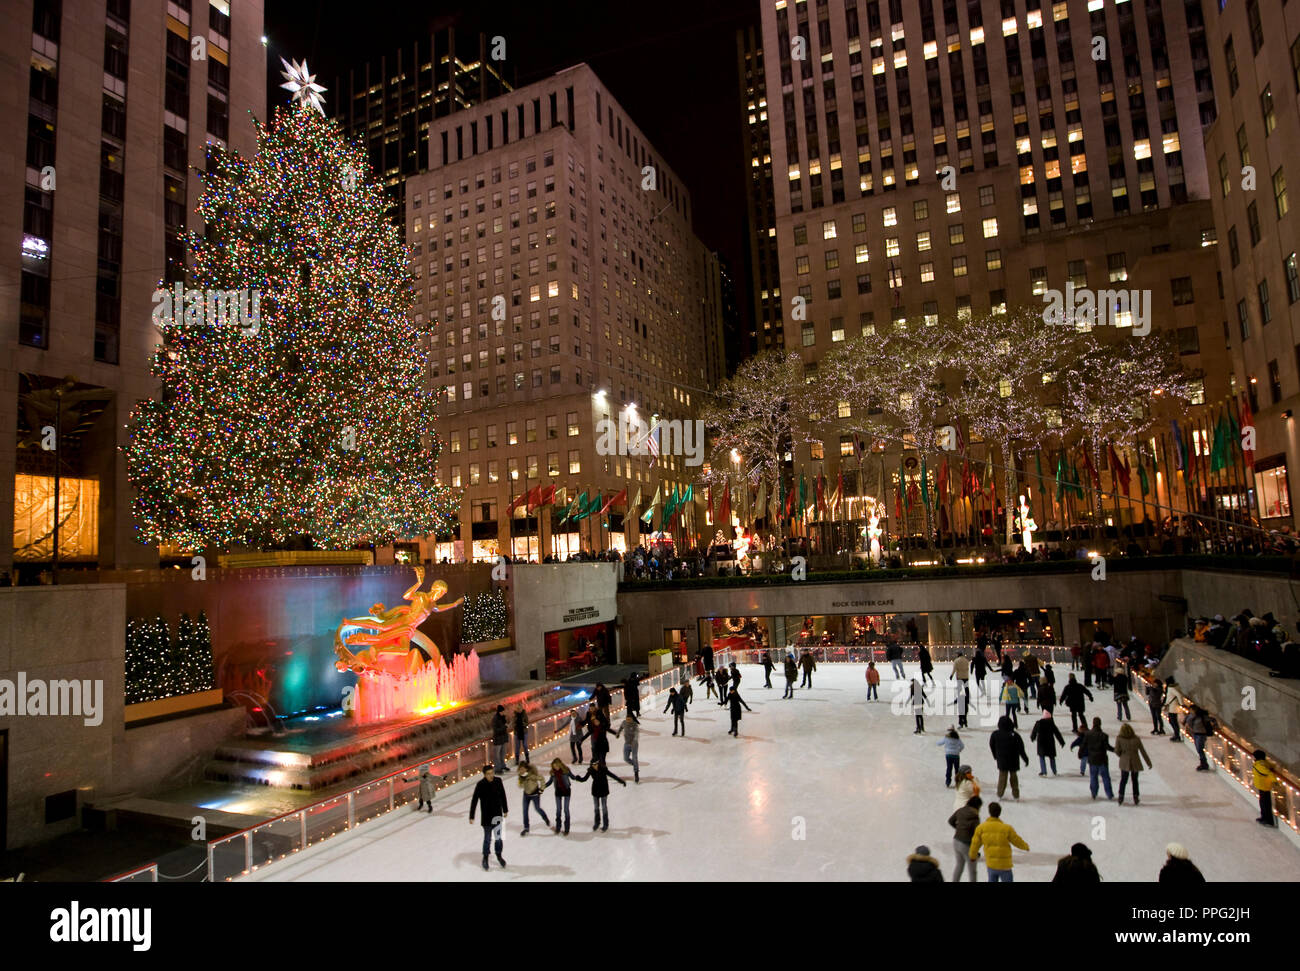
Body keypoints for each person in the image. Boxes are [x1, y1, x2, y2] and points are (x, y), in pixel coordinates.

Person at [969, 802, 1029, 882]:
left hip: (991, 864)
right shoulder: (1007, 828)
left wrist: (972, 856)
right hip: (1005, 865)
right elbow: (1016, 840)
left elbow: (975, 844)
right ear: (999, 813)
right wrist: (1025, 846)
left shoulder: (981, 828)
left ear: (989, 812)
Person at [469, 764, 509, 870]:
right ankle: (485, 858)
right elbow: (474, 800)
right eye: (489, 774)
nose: (491, 775)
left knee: (499, 838)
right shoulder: (480, 785)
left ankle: (499, 855)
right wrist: (472, 815)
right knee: (487, 839)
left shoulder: (498, 781)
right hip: (486, 817)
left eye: (492, 773)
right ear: (484, 775)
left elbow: (503, 795)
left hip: (497, 815)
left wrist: (505, 809)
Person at [574, 758, 626, 832]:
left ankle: (605, 824)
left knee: (604, 807)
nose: (595, 766)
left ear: (598, 764)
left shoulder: (603, 769)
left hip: (604, 789)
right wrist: (578, 778)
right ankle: (597, 823)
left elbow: (612, 775)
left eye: (596, 764)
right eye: (593, 765)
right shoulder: (591, 770)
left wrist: (621, 781)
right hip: (595, 790)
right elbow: (584, 779)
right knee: (596, 807)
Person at [989, 715, 1029, 799]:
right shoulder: (1015, 735)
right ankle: (1016, 794)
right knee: (1014, 777)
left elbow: (991, 745)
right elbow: (1021, 748)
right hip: (1013, 760)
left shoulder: (995, 734)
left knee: (1002, 777)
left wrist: (995, 755)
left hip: (1002, 759)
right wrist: (1025, 759)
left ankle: (1000, 794)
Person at [1114, 722, 1152, 805]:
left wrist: (1122, 755)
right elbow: (1143, 751)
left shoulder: (1119, 738)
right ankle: (1135, 796)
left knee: (1123, 780)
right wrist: (1148, 763)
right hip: (1135, 761)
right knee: (1135, 780)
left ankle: (1121, 796)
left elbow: (1116, 751)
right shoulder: (1136, 739)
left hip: (1124, 762)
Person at [947, 795, 983, 882]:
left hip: (956, 841)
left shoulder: (961, 810)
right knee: (972, 871)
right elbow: (977, 833)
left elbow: (951, 820)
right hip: (967, 844)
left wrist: (959, 828)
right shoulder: (975, 816)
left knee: (959, 866)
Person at [543, 758, 580, 834]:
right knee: (558, 810)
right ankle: (558, 827)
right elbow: (550, 782)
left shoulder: (566, 770)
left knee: (566, 809)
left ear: (560, 765)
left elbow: (573, 777)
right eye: (554, 766)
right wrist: (543, 786)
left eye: (556, 766)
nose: (555, 768)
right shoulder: (553, 773)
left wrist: (579, 778)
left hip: (566, 791)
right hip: (558, 792)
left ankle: (567, 828)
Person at [1085, 717, 1115, 800]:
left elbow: (1084, 745)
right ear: (1100, 724)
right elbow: (1107, 747)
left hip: (1092, 759)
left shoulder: (1088, 734)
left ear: (1093, 724)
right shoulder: (1104, 735)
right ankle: (1109, 794)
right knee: (1105, 777)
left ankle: (1094, 793)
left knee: (1093, 776)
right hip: (1102, 759)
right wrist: (1115, 750)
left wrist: (1080, 753)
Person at [517, 762, 551, 834]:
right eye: (520, 769)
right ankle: (526, 827)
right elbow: (520, 786)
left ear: (526, 769)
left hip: (535, 795)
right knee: (525, 811)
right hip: (526, 795)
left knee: (537, 808)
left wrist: (541, 789)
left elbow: (541, 778)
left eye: (523, 769)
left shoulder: (532, 775)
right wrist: (521, 781)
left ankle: (545, 818)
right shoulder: (521, 776)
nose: (521, 770)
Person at [1029, 709, 1066, 776]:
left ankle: (1044, 771)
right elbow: (1057, 733)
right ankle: (1054, 771)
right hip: (1050, 742)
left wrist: (1032, 738)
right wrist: (1062, 742)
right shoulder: (1051, 724)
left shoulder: (1039, 723)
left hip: (1041, 742)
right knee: (1052, 757)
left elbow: (1034, 731)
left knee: (1041, 757)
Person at [613, 711, 641, 782]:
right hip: (626, 743)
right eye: (627, 719)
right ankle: (635, 765)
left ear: (632, 719)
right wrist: (618, 734)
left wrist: (635, 740)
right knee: (626, 758)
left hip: (634, 744)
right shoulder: (624, 723)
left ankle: (636, 773)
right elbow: (620, 728)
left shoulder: (635, 724)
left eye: (629, 719)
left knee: (634, 758)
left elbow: (637, 733)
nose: (628, 720)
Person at [1185, 706, 1214, 771]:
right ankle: (1203, 763)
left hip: (1201, 734)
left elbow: (1212, 719)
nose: (1190, 711)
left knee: (1200, 749)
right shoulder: (1191, 717)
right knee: (1199, 749)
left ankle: (1204, 763)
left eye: (1191, 710)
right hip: (1195, 734)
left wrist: (1215, 726)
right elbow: (1188, 723)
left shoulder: (1202, 717)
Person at [1253, 749, 1277, 826]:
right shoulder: (1263, 763)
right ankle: (1264, 817)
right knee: (1263, 803)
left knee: (1265, 804)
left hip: (1263, 786)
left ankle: (1268, 819)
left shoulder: (1260, 765)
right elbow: (1271, 766)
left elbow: (1268, 772)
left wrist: (1275, 780)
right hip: (1263, 786)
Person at [1162, 676, 1185, 741]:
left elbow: (1179, 695)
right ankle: (1176, 734)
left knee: (1173, 721)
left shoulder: (1171, 688)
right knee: (1173, 721)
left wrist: (1181, 704)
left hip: (1173, 707)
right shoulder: (1176, 687)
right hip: (1173, 706)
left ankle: (1177, 735)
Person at [490, 705, 509, 774]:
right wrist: (504, 727)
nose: (504, 712)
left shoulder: (503, 717)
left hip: (503, 738)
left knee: (503, 753)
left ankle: (503, 766)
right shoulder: (495, 719)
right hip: (498, 739)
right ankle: (497, 769)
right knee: (497, 755)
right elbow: (495, 730)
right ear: (500, 711)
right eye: (503, 711)